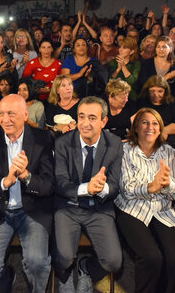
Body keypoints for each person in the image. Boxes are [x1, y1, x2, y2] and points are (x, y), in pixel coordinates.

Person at [0, 94, 54, 293]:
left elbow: (48, 185)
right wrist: (6, 181)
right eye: (1, 113)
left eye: (11, 113)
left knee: (37, 264)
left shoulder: (43, 139)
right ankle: (7, 280)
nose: (5, 119)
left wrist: (26, 176)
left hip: (33, 210)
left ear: (25, 115)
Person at [53, 96, 123, 292]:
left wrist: (102, 188)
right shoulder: (63, 143)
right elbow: (60, 183)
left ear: (104, 121)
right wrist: (87, 188)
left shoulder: (114, 143)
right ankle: (65, 275)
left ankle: (86, 268)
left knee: (114, 262)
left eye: (92, 118)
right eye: (81, 116)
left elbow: (115, 185)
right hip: (68, 207)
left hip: (99, 208)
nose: (85, 123)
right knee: (64, 256)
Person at [115, 108, 175, 293]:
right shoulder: (124, 150)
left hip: (162, 210)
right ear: (136, 127)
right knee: (151, 257)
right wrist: (150, 187)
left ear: (160, 129)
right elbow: (127, 190)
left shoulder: (168, 152)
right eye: (144, 122)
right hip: (131, 209)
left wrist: (167, 183)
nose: (149, 127)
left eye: (154, 123)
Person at [137, 36, 175, 104]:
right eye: (158, 47)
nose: (161, 49)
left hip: (167, 100)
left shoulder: (174, 65)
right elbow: (144, 84)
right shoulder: (147, 63)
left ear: (170, 49)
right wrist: (166, 77)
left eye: (164, 47)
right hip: (148, 99)